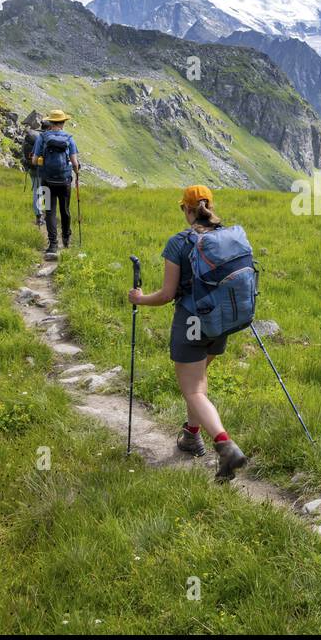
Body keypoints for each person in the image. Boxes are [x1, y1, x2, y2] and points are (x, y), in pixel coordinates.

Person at [128, 184, 249, 481]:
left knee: (193, 389)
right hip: (222, 321)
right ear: (209, 205)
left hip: (193, 321)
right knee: (199, 383)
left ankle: (225, 446)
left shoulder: (178, 243)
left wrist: (140, 299)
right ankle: (192, 436)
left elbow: (168, 294)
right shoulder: (226, 237)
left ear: (186, 208)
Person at [31, 110, 80, 259]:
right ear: (63, 122)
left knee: (49, 211)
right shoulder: (69, 139)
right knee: (65, 210)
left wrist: (41, 161)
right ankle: (66, 238)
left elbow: (34, 160)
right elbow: (75, 163)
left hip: (46, 179)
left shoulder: (42, 137)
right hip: (64, 180)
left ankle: (52, 246)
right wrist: (76, 172)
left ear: (50, 122)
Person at [22, 119, 49, 226]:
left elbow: (23, 151)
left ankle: (38, 217)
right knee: (46, 190)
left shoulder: (31, 135)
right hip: (43, 168)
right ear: (49, 127)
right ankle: (47, 216)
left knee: (36, 191)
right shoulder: (45, 138)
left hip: (31, 168)